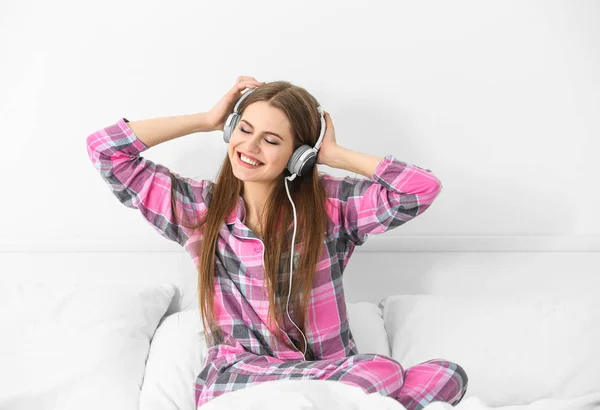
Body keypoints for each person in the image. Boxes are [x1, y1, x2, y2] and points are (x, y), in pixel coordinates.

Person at [85, 76, 468, 409]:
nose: (250, 148)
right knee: (379, 374)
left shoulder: (331, 206)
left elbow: (419, 190)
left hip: (331, 374)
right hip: (240, 380)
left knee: (445, 374)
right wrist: (205, 120)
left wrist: (333, 156)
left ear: (298, 156)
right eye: (244, 129)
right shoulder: (198, 209)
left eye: (270, 140)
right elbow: (106, 150)